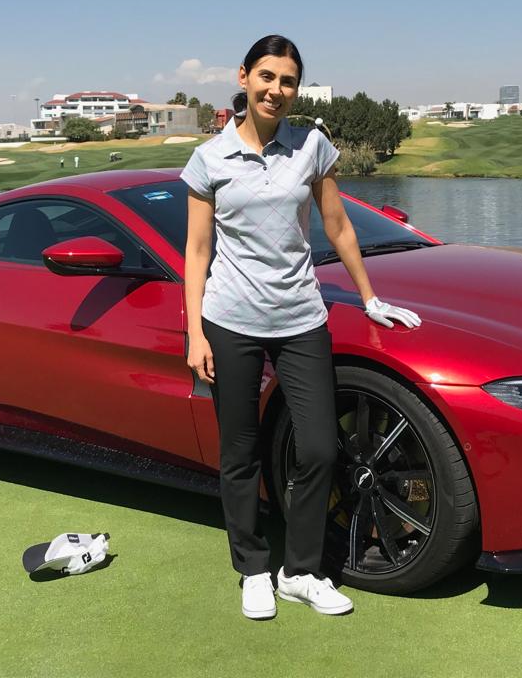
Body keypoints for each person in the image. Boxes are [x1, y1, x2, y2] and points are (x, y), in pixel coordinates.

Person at [181, 35, 421, 620]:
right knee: (240, 452)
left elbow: (337, 226)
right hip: (230, 320)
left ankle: (301, 571)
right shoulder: (210, 158)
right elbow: (197, 250)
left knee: (317, 447)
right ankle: (252, 568)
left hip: (300, 317)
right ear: (243, 77)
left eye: (287, 81)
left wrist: (369, 297)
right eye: (266, 77)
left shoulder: (312, 144)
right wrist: (195, 333)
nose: (276, 90)